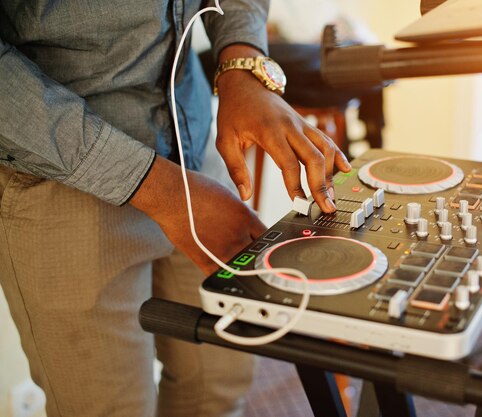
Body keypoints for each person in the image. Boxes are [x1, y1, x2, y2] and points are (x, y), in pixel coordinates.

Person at [0, 1, 350, 416]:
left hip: (194, 141)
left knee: (221, 382)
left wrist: (244, 65)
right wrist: (165, 193)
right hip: (61, 175)